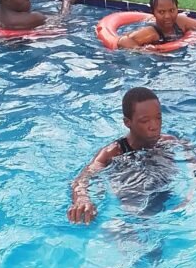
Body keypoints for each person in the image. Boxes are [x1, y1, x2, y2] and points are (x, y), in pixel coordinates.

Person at [68, 87, 175, 224]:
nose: (154, 126)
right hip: (132, 199)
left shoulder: (169, 142)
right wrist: (82, 198)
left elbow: (195, 160)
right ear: (127, 122)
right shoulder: (112, 152)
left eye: (158, 118)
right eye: (145, 121)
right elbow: (83, 177)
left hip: (165, 194)